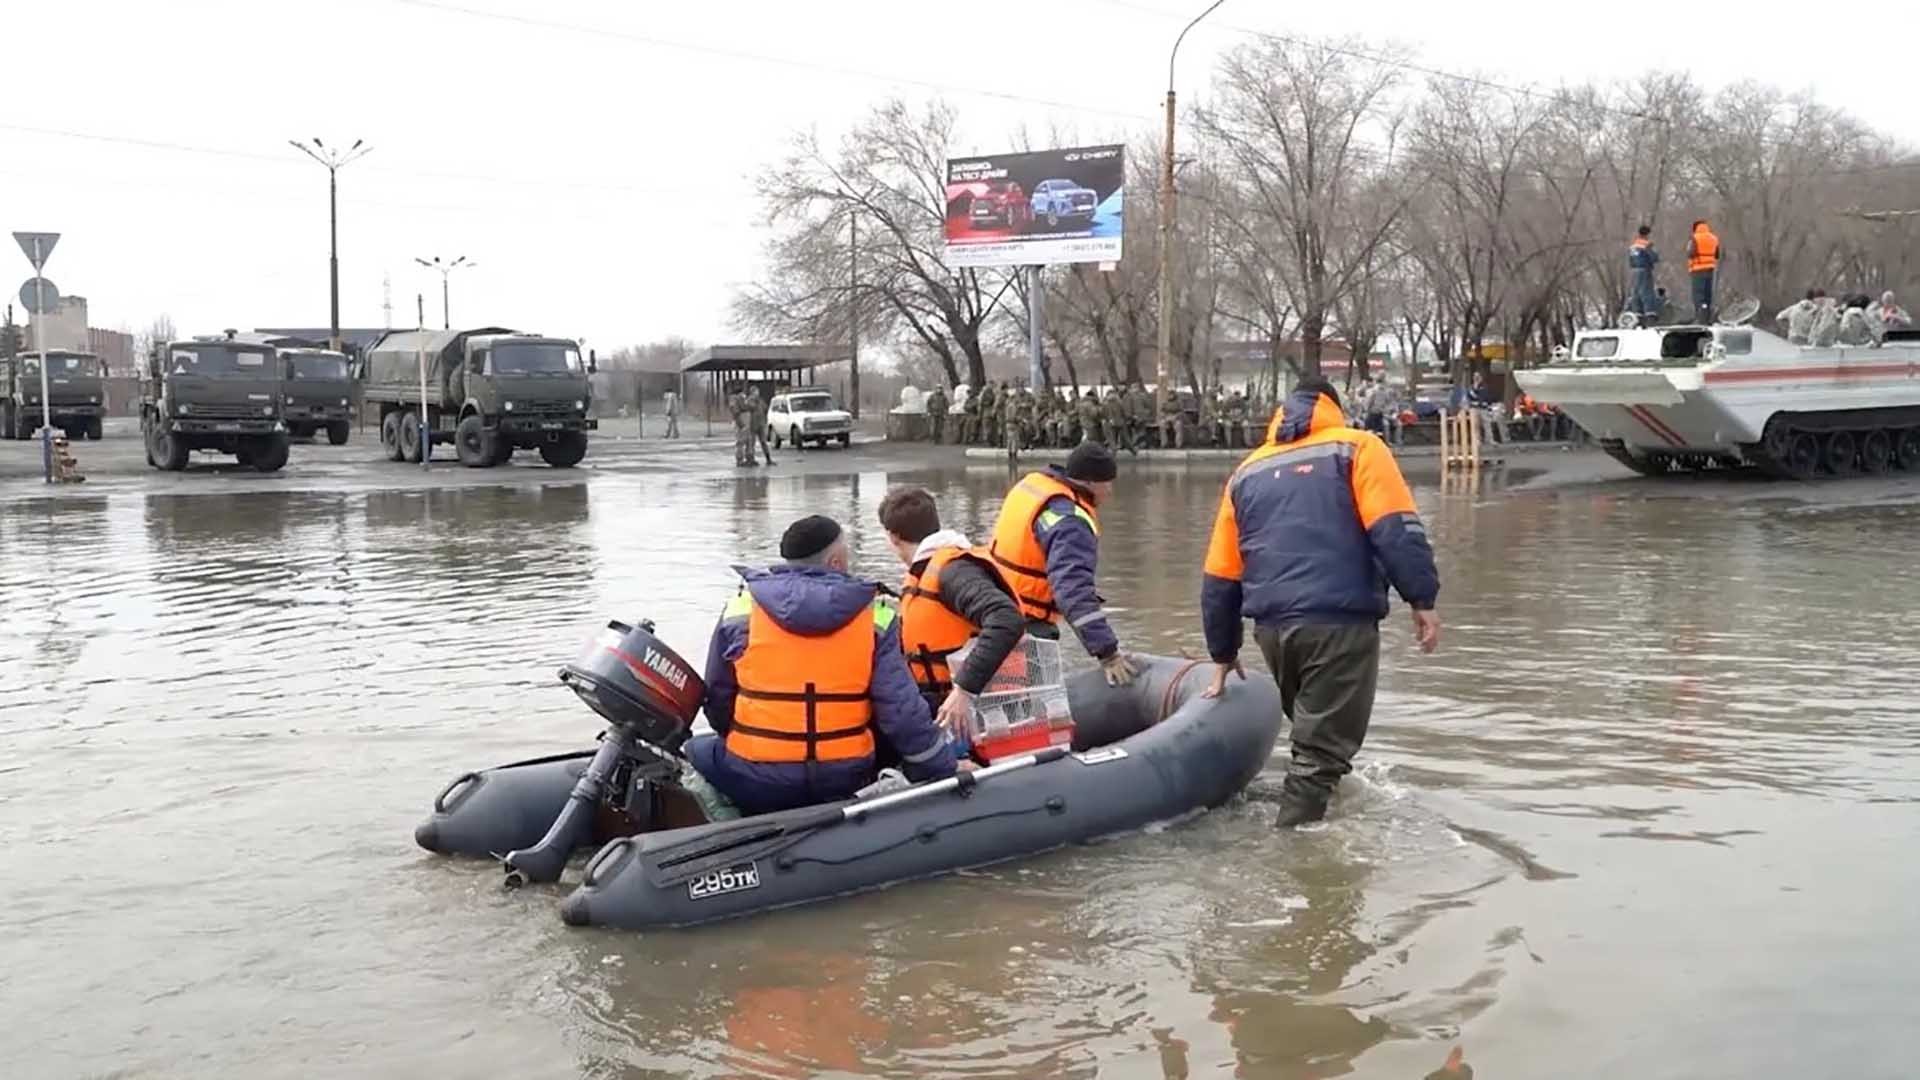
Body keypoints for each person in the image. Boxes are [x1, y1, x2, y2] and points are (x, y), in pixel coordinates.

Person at [1200, 376, 1441, 828]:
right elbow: (1395, 530)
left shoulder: (1247, 471)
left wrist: (1222, 651)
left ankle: (1311, 813)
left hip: (1273, 632)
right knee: (1319, 754)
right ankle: (1297, 855)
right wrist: (1422, 598)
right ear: (1333, 406)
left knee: (1312, 738)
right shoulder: (1358, 448)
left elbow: (1220, 573)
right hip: (1338, 623)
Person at [687, 515, 957, 815]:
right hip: (844, 778)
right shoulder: (876, 617)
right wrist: (941, 767)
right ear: (836, 562)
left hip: (756, 779)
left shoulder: (741, 610)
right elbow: (901, 712)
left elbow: (717, 700)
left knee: (697, 749)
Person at [878, 486, 1025, 736]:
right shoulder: (927, 571)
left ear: (893, 537)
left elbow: (1006, 618)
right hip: (941, 704)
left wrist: (964, 690)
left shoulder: (953, 571)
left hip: (976, 711)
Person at [987, 442, 1136, 686]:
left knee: (1007, 700)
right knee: (1032, 709)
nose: (1110, 491)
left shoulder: (1033, 485)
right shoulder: (1070, 522)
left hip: (995, 610)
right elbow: (1072, 589)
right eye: (1106, 483)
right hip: (1027, 624)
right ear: (1088, 482)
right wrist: (1108, 653)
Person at [1685, 219, 1720, 323]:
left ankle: (1699, 318)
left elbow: (1690, 253)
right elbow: (1717, 254)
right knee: (1707, 294)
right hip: (1710, 269)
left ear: (1695, 228)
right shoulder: (1714, 238)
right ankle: (1707, 316)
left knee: (1698, 294)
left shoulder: (1694, 238)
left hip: (1698, 269)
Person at [1628, 224, 1660, 323]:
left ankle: (1637, 315)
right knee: (1647, 292)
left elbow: (1630, 261)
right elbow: (1654, 258)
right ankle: (1650, 315)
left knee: (1636, 293)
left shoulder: (1632, 246)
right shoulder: (1646, 245)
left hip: (1634, 271)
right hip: (1644, 270)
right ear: (1647, 234)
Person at [748, 385, 775, 465]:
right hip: (752, 424)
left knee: (763, 442)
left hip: (761, 424)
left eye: (758, 391)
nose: (757, 393)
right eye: (756, 391)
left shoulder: (760, 400)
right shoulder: (749, 400)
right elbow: (751, 407)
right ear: (752, 392)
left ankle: (768, 459)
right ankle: (751, 459)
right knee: (751, 443)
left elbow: (765, 407)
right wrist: (755, 401)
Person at [726, 383, 753, 466]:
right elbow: (736, 413)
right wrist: (741, 425)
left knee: (748, 441)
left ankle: (749, 458)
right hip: (741, 422)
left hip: (746, 421)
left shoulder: (742, 398)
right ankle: (740, 460)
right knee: (740, 442)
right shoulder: (734, 399)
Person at [1102, 387, 1132, 455]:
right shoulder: (1119, 402)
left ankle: (1114, 451)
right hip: (1120, 422)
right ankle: (1133, 451)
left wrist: (1107, 419)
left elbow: (1103, 413)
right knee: (1125, 438)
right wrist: (1127, 419)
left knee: (1112, 438)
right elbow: (1124, 412)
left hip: (1111, 423)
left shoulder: (1105, 403)